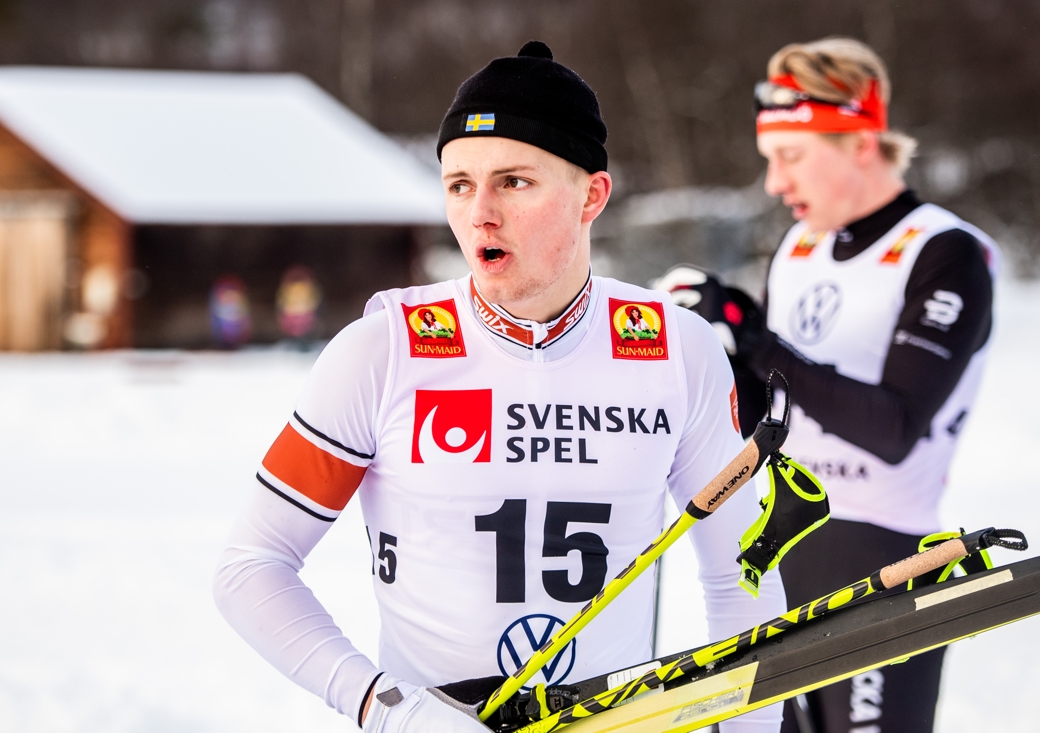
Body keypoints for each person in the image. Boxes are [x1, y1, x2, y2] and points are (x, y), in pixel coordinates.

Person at [213, 41, 785, 733]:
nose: (480, 212)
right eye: (459, 183)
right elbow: (253, 565)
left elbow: (740, 575)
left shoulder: (673, 347)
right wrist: (389, 708)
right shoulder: (384, 348)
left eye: (514, 181)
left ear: (591, 195)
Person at [657, 37, 999, 733]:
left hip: (886, 555)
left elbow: (894, 429)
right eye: (769, 160)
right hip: (781, 549)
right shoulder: (798, 248)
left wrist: (760, 341)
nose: (776, 184)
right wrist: (717, 347)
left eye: (791, 156)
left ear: (860, 141)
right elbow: (767, 414)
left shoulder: (944, 250)